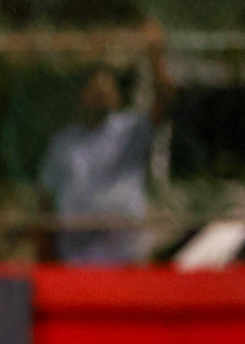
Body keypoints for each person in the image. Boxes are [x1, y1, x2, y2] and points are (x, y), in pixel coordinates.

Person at [38, 30, 173, 264]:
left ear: (117, 95)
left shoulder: (131, 130)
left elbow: (166, 98)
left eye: (107, 89)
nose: (101, 95)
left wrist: (155, 52)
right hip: (75, 256)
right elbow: (46, 200)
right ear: (82, 95)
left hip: (125, 253)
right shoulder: (64, 142)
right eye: (95, 90)